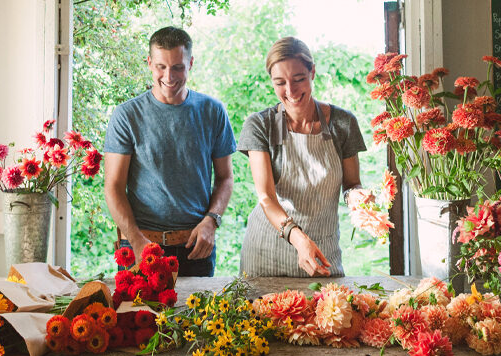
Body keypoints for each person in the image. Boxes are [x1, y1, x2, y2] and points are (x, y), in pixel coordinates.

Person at [104, 26, 236, 276]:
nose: (169, 75)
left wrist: (212, 221)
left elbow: (225, 178)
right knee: (136, 315)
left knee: (196, 316)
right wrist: (136, 240)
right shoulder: (126, 116)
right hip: (140, 245)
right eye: (161, 67)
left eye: (178, 67)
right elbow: (113, 186)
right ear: (149, 64)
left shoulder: (213, 111)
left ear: (191, 63)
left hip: (196, 246)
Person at [237, 37, 367, 277]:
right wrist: (298, 239)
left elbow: (351, 184)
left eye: (298, 79)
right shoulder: (260, 125)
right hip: (266, 254)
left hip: (322, 253)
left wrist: (359, 199)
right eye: (280, 83)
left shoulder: (343, 123)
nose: (290, 91)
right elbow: (266, 198)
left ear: (312, 72)